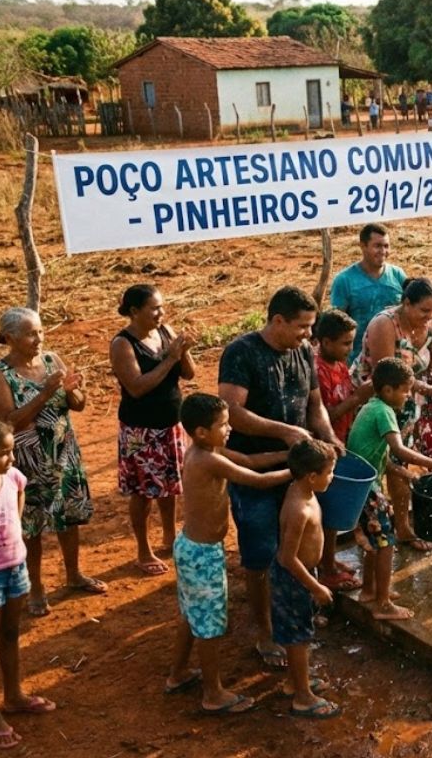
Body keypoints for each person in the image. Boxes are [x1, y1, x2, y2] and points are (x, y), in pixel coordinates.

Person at [217, 286, 342, 670]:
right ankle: (265, 629)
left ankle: (293, 612)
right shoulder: (242, 353)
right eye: (302, 327)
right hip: (255, 465)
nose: (309, 335)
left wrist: (328, 437)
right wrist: (285, 432)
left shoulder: (303, 351)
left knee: (294, 545)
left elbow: (314, 405)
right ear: (277, 321)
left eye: (311, 328)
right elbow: (232, 412)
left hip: (297, 468)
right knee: (259, 551)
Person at [166, 394, 290, 714]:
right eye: (223, 425)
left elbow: (249, 462)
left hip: (191, 548)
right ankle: (213, 693)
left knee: (191, 614)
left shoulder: (207, 450)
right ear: (201, 431)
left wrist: (288, 454)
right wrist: (298, 471)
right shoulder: (208, 459)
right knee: (209, 626)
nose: (229, 429)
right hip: (203, 554)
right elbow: (257, 480)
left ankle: (178, 673)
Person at [0, 307, 103, 618]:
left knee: (68, 516)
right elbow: (9, 421)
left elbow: (77, 405)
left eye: (40, 331)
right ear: (9, 338)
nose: (38, 339)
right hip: (27, 458)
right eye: (30, 333)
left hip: (64, 452)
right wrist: (46, 392)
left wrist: (75, 390)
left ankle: (74, 574)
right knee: (32, 525)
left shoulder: (52, 361)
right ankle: (36, 587)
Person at [349, 358, 432, 620]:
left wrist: (408, 474)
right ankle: (384, 604)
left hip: (361, 485)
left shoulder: (371, 406)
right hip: (367, 489)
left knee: (375, 541)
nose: (408, 397)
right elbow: (398, 450)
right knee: (386, 543)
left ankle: (370, 590)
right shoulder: (383, 411)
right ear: (387, 390)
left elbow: (381, 457)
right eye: (406, 391)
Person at [354, 278, 432, 549]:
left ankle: (400, 525)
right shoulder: (384, 325)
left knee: (401, 462)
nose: (430, 317)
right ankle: (377, 527)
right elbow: (386, 376)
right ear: (406, 303)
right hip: (376, 398)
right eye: (424, 311)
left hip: (408, 398)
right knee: (381, 460)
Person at [0, 418, 56, 750]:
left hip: (14, 568)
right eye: (4, 453)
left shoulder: (10, 476)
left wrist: (16, 533)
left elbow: (20, 490)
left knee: (11, 633)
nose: (12, 458)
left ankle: (13, 696)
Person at [110, 284, 196, 577]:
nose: (161, 313)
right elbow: (136, 387)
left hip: (170, 425)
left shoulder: (165, 331)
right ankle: (143, 549)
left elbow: (189, 374)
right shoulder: (122, 344)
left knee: (170, 485)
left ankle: (169, 536)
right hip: (140, 430)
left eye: (162, 306)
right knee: (142, 492)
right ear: (134, 311)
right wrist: (170, 357)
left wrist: (182, 352)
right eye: (154, 308)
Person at [273, 439, 341, 719]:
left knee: (298, 633)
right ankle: (303, 697)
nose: (332, 477)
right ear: (312, 477)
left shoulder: (302, 490)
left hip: (300, 575)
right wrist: (315, 587)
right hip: (294, 578)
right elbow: (287, 558)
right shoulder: (299, 508)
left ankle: (294, 681)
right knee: (298, 636)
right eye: (330, 472)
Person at [312, 310, 371, 591]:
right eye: (345, 343)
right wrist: (358, 398)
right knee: (325, 511)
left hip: (339, 442)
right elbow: (324, 414)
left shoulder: (338, 363)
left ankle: (329, 560)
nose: (351, 349)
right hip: (322, 446)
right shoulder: (316, 370)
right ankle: (323, 568)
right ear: (325, 341)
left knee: (333, 510)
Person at [330, 223, 408, 364]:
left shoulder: (397, 275)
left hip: (396, 357)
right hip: (357, 360)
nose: (383, 251)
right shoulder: (344, 280)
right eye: (377, 246)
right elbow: (336, 325)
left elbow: (409, 312)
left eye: (386, 246)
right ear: (363, 246)